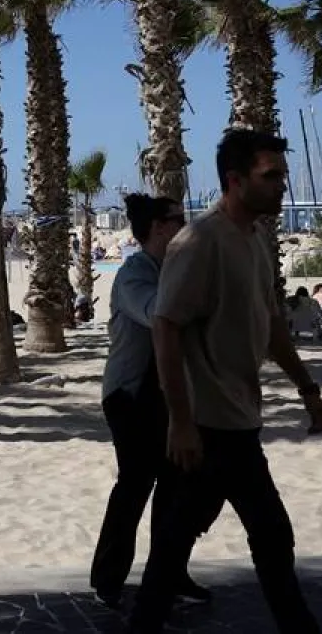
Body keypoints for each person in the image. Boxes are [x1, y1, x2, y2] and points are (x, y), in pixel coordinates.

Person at [127, 129, 322, 634]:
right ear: (235, 181)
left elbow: (270, 325)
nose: (283, 184)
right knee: (268, 534)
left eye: (283, 173)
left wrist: (307, 388)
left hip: (240, 419)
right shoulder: (199, 241)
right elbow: (166, 326)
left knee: (182, 541)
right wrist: (180, 422)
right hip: (208, 427)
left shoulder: (259, 236)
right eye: (272, 175)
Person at [91, 194, 211, 610]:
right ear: (160, 227)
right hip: (129, 395)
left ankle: (169, 572)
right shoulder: (134, 273)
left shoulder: (173, 268)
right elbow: (159, 313)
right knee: (136, 484)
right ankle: (108, 579)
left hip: (168, 393)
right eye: (179, 220)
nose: (186, 226)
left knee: (179, 485)